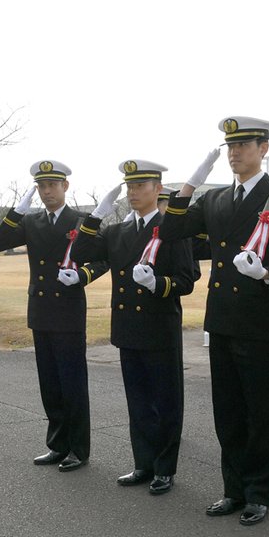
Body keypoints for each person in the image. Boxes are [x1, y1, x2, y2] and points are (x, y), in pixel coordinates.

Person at [160, 117, 269, 526]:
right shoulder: (216, 200)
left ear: (263, 148)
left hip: (260, 318)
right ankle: (233, 488)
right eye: (230, 147)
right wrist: (189, 187)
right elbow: (172, 228)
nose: (235, 153)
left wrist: (267, 274)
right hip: (223, 319)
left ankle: (259, 492)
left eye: (244, 145)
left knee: (260, 411)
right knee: (227, 410)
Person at [70, 160, 197, 495]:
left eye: (141, 186)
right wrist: (96, 214)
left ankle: (165, 469)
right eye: (130, 186)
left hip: (159, 327)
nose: (133, 192)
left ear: (157, 189)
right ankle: (144, 463)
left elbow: (186, 280)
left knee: (165, 402)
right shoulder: (118, 232)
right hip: (128, 328)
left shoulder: (172, 229)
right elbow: (81, 251)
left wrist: (158, 283)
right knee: (138, 401)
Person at [0, 160, 103, 472]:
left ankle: (78, 449)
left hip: (67, 311)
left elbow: (102, 258)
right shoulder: (32, 221)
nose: (46, 191)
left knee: (72, 384)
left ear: (65, 186)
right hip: (40, 311)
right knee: (50, 384)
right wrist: (16, 212)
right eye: (41, 186)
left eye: (52, 184)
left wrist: (82, 275)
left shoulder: (82, 220)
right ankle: (58, 445)